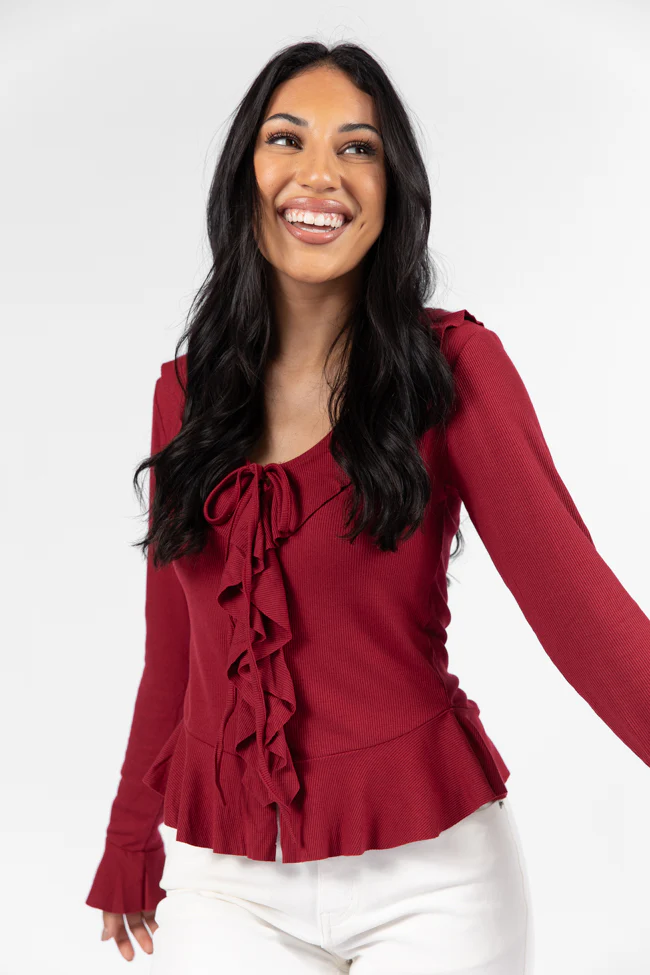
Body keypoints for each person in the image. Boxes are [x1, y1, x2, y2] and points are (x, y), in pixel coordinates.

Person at [85, 40, 650, 975]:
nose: (321, 174)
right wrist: (130, 835)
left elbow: (580, 611)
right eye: (287, 139)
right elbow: (175, 653)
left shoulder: (455, 370)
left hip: (433, 876)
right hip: (228, 883)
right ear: (244, 173)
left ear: (393, 192)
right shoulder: (184, 394)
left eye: (358, 148)